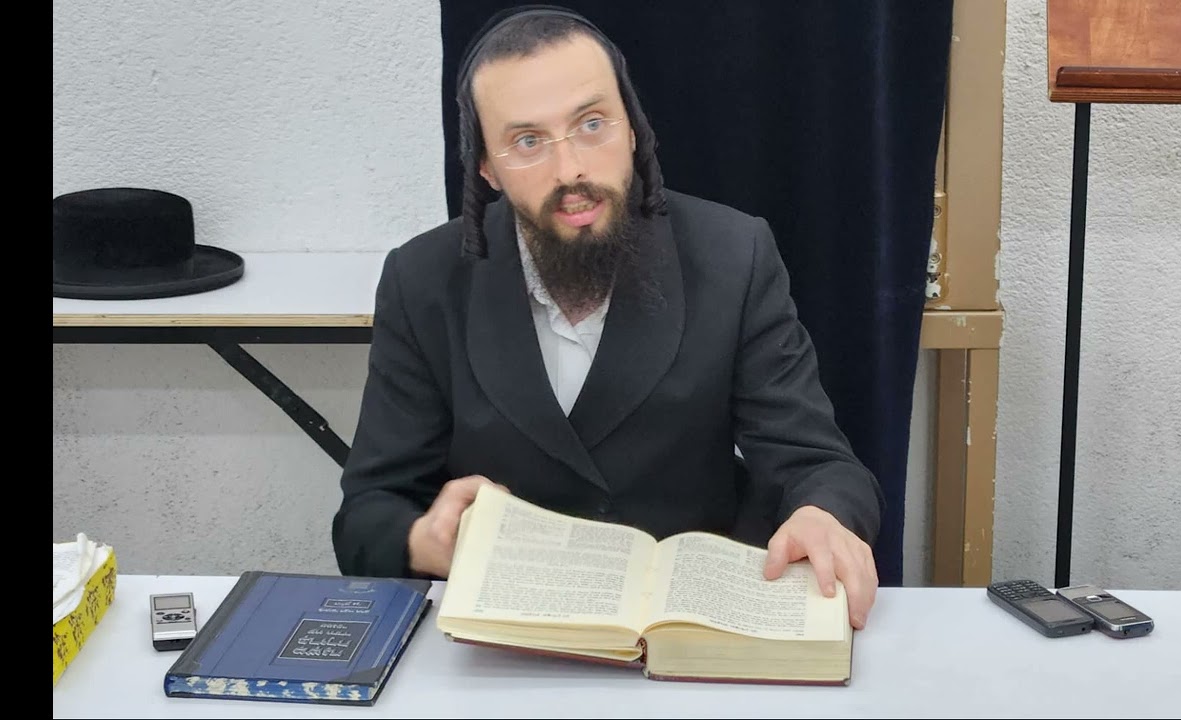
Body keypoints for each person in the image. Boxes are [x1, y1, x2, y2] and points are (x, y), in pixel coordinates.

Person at [332, 5, 885, 629]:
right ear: (486, 167)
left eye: (592, 124)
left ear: (634, 129)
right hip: (505, 636)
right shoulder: (423, 278)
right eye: (528, 142)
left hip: (688, 630)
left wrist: (823, 515)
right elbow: (366, 513)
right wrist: (424, 541)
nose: (570, 169)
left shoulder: (733, 254)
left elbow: (820, 465)